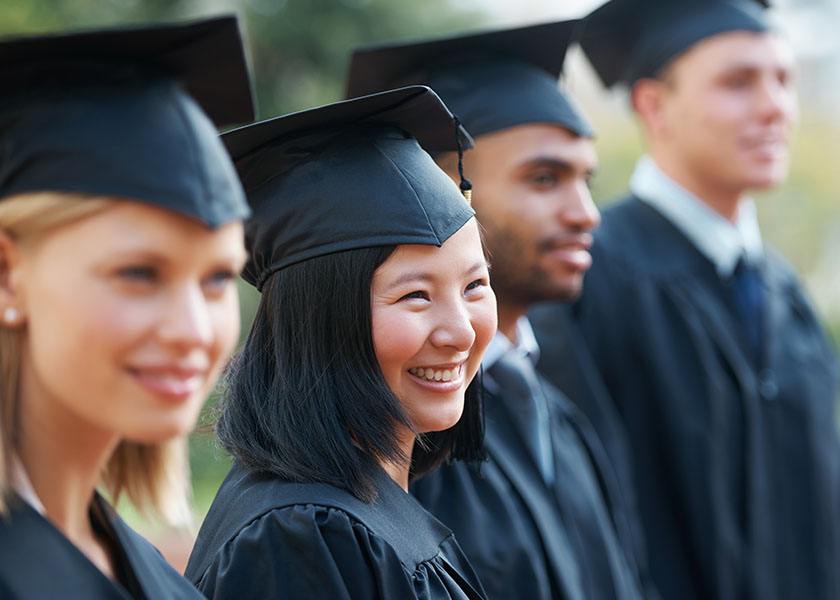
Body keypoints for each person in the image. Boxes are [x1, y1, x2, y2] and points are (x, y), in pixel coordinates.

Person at [530, 1, 840, 599]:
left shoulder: (785, 292)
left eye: (784, 79)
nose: (775, 106)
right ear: (653, 104)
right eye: (737, 82)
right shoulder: (588, 280)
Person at [347, 21, 654, 600]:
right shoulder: (402, 436)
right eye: (545, 179)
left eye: (586, 179)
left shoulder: (560, 414)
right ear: (440, 189)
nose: (586, 213)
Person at [184, 85, 497, 600]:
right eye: (416, 295)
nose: (461, 330)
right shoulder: (302, 534)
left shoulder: (355, 504)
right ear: (320, 319)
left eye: (475, 286)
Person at [0, 16, 255, 600]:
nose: (194, 331)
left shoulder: (154, 577)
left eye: (217, 279)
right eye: (139, 273)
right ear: (8, 276)